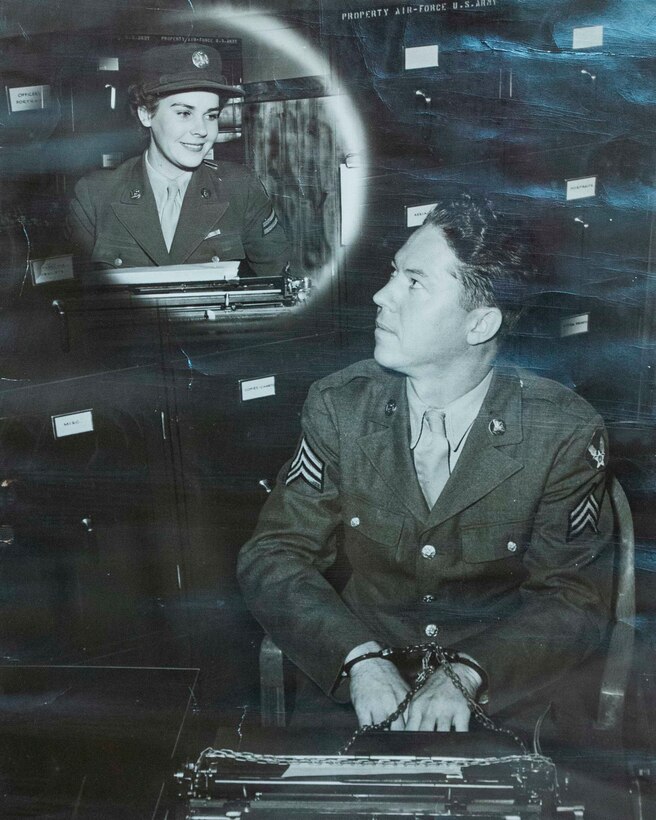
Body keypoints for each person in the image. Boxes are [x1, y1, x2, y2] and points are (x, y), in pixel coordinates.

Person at [237, 195, 613, 736]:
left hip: (497, 698)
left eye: (414, 283)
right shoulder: (341, 405)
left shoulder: (563, 431)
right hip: (358, 688)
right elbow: (273, 556)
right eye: (394, 273)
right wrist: (357, 658)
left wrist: (471, 672)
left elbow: (576, 597)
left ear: (479, 324)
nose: (381, 295)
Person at [68, 43, 289, 276]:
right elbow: (74, 297)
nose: (202, 130)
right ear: (145, 113)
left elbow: (278, 282)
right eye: (184, 113)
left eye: (211, 115)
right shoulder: (95, 195)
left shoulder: (240, 188)